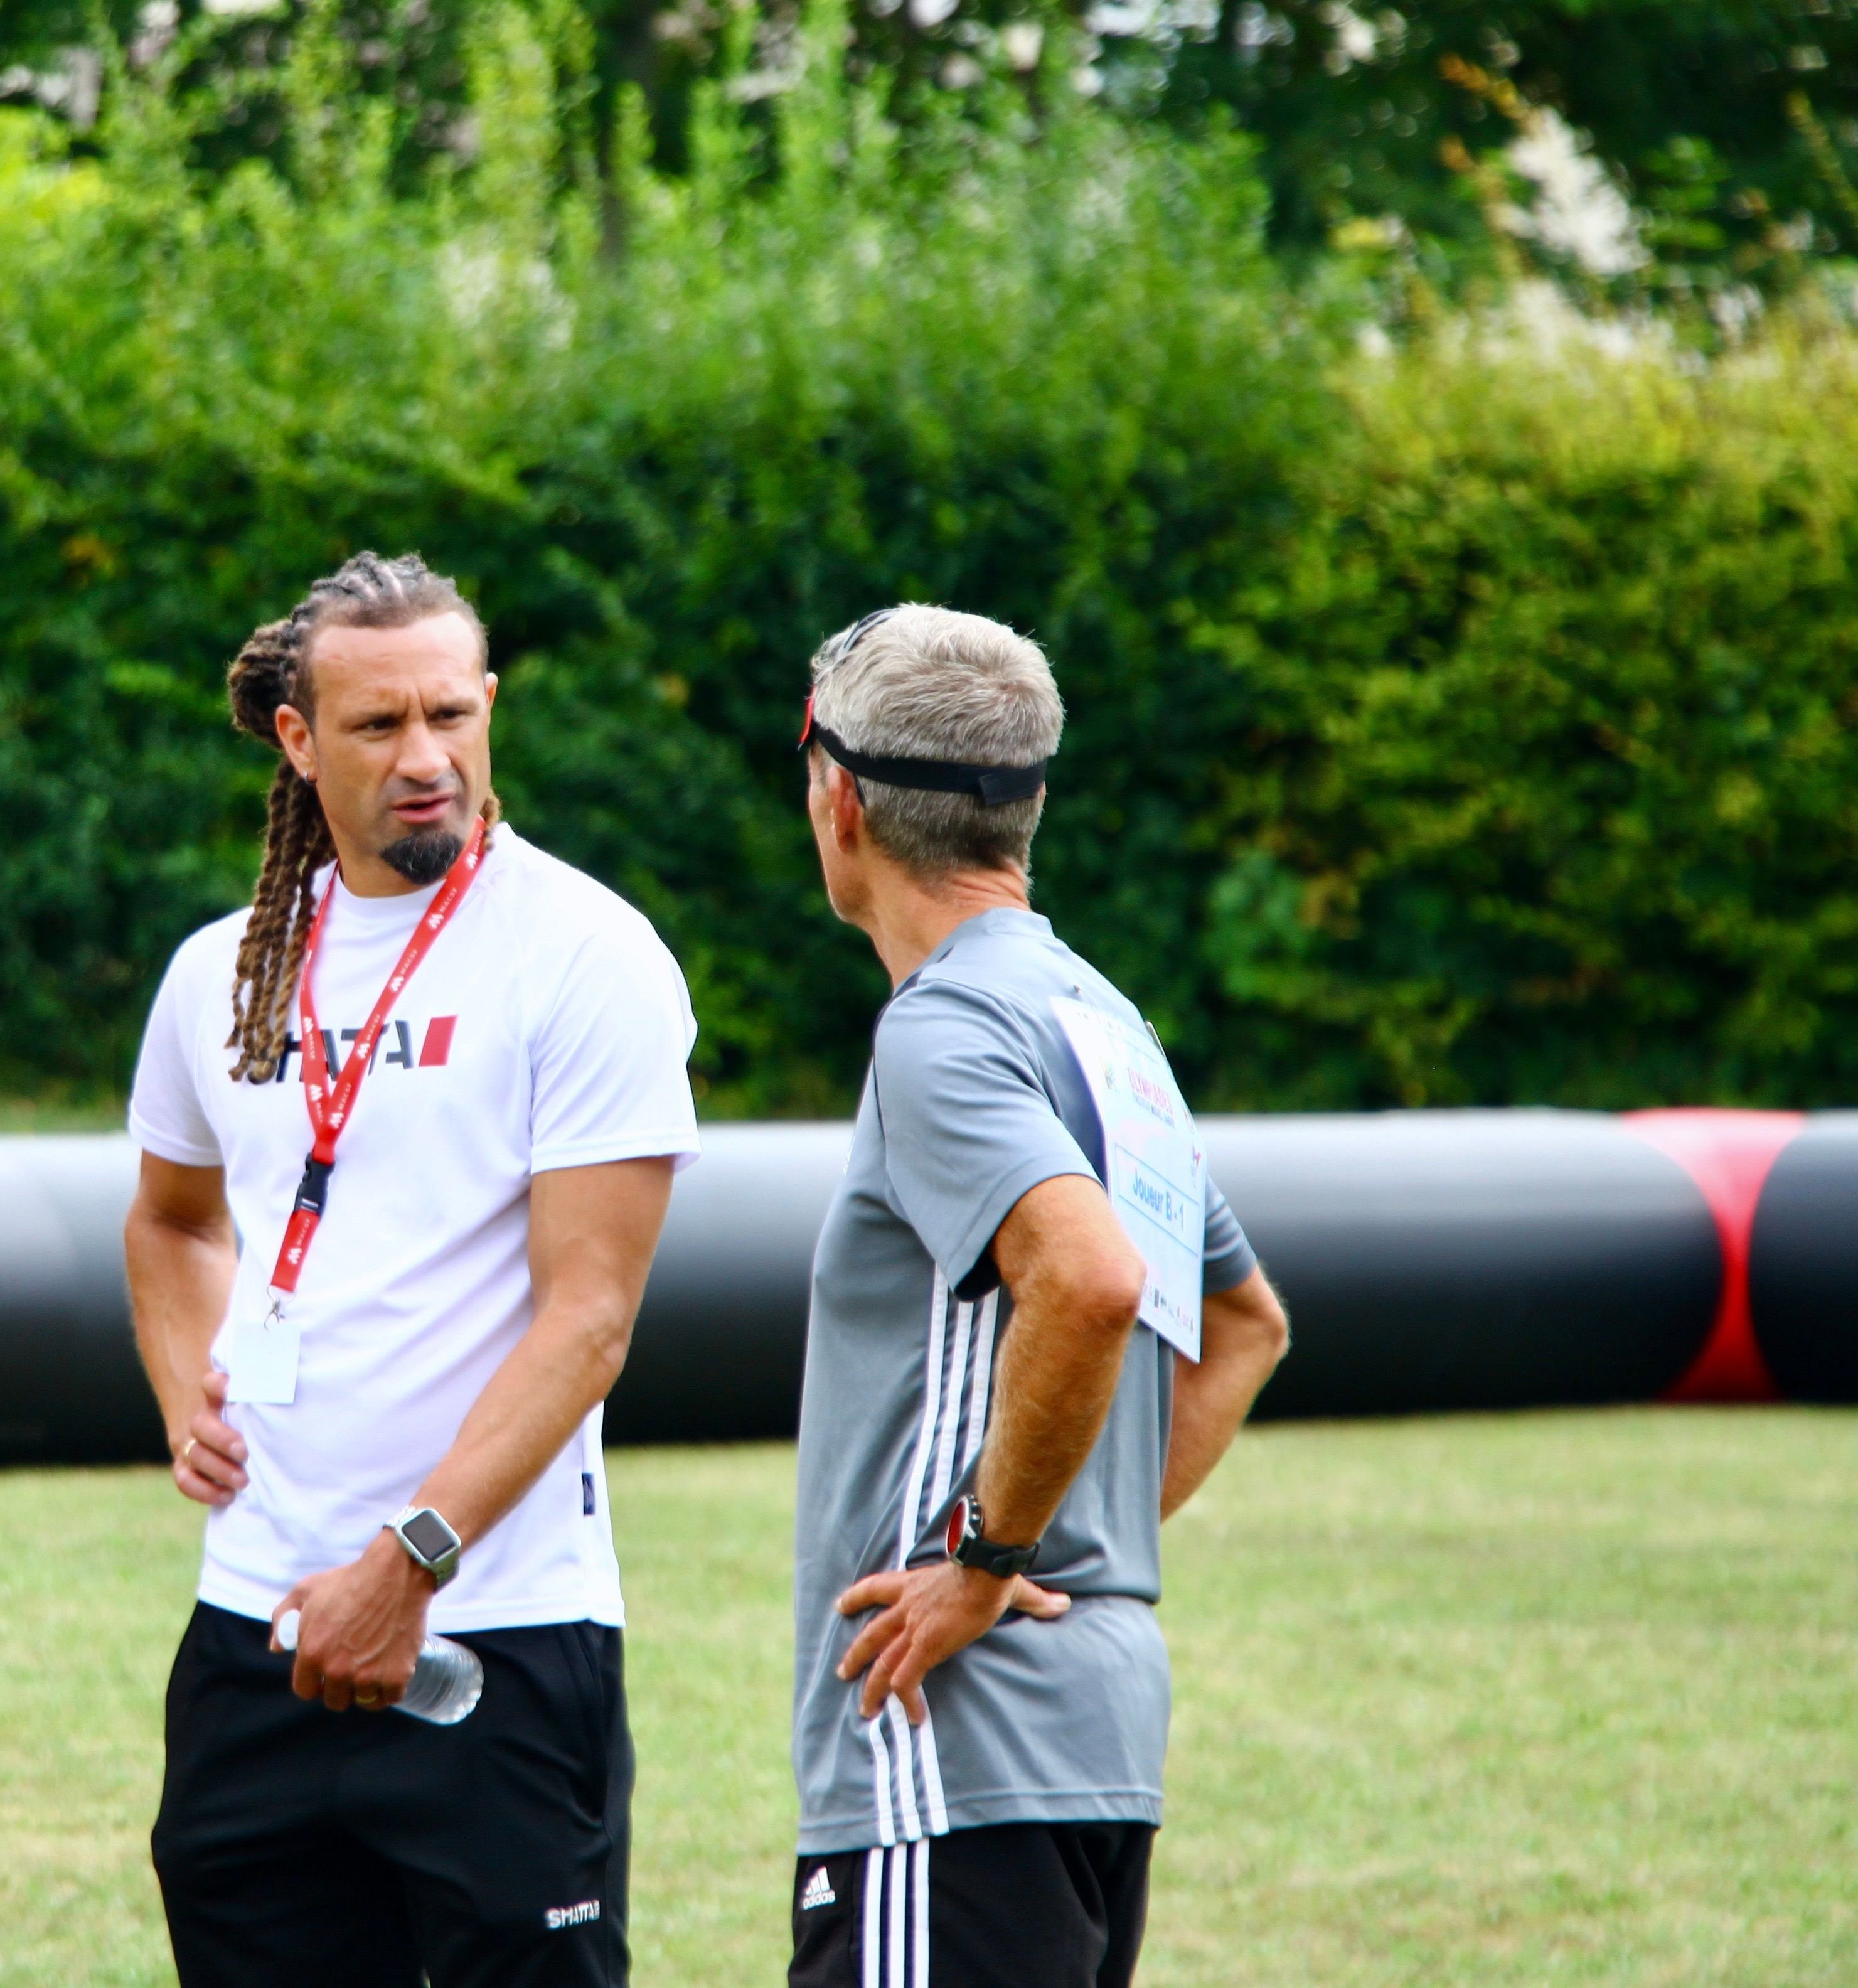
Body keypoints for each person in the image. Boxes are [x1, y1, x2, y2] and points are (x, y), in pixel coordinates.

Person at [124, 552, 699, 1987]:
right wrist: (185, 1382)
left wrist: (410, 1562)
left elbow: (591, 1318)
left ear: (491, 703)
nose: (427, 757)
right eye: (380, 727)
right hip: (254, 1630)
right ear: (298, 740)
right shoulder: (225, 971)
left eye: (453, 713)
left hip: (498, 1630)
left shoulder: (585, 955)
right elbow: (174, 1218)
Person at [783, 606, 1291, 1988]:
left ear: (837, 798)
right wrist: (1075, 1552)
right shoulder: (1097, 1016)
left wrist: (994, 1559)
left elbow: (1088, 1276)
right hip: (1093, 1741)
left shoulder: (942, 1027)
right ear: (1032, 802)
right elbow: (1244, 1326)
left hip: (950, 1751)